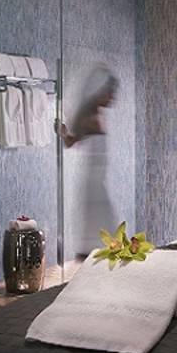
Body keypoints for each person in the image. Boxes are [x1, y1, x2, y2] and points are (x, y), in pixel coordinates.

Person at [59, 63, 119, 259]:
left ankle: (92, 271)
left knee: (101, 233)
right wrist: (62, 131)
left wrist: (64, 132)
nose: (113, 97)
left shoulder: (94, 115)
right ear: (99, 91)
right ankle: (91, 273)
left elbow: (70, 141)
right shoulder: (91, 118)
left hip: (96, 183)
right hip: (93, 185)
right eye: (110, 92)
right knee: (103, 234)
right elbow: (71, 141)